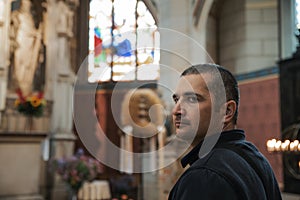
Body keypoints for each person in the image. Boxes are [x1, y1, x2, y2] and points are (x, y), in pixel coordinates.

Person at [168, 63, 282, 200]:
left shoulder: (204, 176)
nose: (176, 111)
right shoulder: (255, 158)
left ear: (227, 111)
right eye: (176, 100)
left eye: (192, 99)